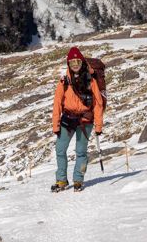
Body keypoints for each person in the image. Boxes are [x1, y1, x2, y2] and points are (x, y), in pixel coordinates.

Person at [51, 47, 103, 192]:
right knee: (60, 150)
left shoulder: (90, 81)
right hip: (67, 119)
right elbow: (57, 103)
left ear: (82, 62)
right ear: (68, 63)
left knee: (81, 151)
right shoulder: (64, 81)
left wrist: (98, 126)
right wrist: (56, 125)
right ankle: (61, 180)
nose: (75, 64)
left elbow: (98, 103)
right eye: (72, 61)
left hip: (85, 121)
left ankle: (78, 180)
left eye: (78, 61)